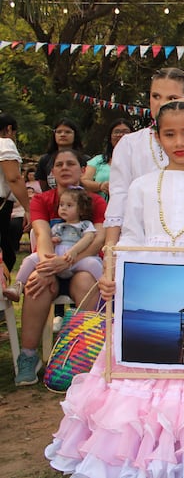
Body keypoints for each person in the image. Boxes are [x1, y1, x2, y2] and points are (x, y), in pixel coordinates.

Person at [45, 101, 184, 477]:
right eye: (170, 134)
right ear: (157, 137)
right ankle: (136, 459)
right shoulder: (142, 186)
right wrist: (112, 275)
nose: (179, 141)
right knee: (139, 381)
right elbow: (128, 240)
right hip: (145, 285)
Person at [103, 67, 184, 247]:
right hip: (144, 237)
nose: (161, 104)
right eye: (156, 96)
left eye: (172, 98)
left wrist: (181, 106)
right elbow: (119, 195)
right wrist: (110, 246)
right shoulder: (129, 143)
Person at [13, 149, 106, 386]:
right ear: (52, 171)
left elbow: (97, 239)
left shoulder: (94, 201)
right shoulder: (42, 200)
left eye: (71, 164)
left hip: (82, 264)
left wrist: (69, 260)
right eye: (59, 164)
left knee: (86, 281)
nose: (65, 168)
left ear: (82, 170)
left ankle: (80, 356)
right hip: (51, 263)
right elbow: (42, 233)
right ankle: (29, 356)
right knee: (38, 282)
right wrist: (47, 265)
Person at [5, 188, 101, 302]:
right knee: (31, 258)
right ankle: (19, 284)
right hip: (56, 260)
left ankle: (104, 286)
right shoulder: (57, 226)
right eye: (61, 205)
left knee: (93, 263)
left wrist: (74, 251)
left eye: (69, 205)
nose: (64, 208)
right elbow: (47, 241)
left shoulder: (85, 225)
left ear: (81, 210)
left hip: (76, 260)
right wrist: (52, 241)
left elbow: (89, 238)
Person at [0, 113, 30, 272]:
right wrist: (28, 208)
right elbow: (13, 178)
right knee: (6, 256)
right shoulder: (4, 143)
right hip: (1, 204)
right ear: (9, 129)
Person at [81, 118, 133, 200]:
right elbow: (83, 181)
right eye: (116, 132)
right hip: (101, 208)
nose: (120, 135)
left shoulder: (140, 161)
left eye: (125, 132)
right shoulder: (98, 160)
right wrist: (100, 186)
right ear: (110, 138)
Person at [35, 118, 87, 191]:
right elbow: (43, 185)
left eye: (67, 132)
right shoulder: (45, 159)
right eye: (59, 132)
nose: (63, 135)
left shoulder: (85, 159)